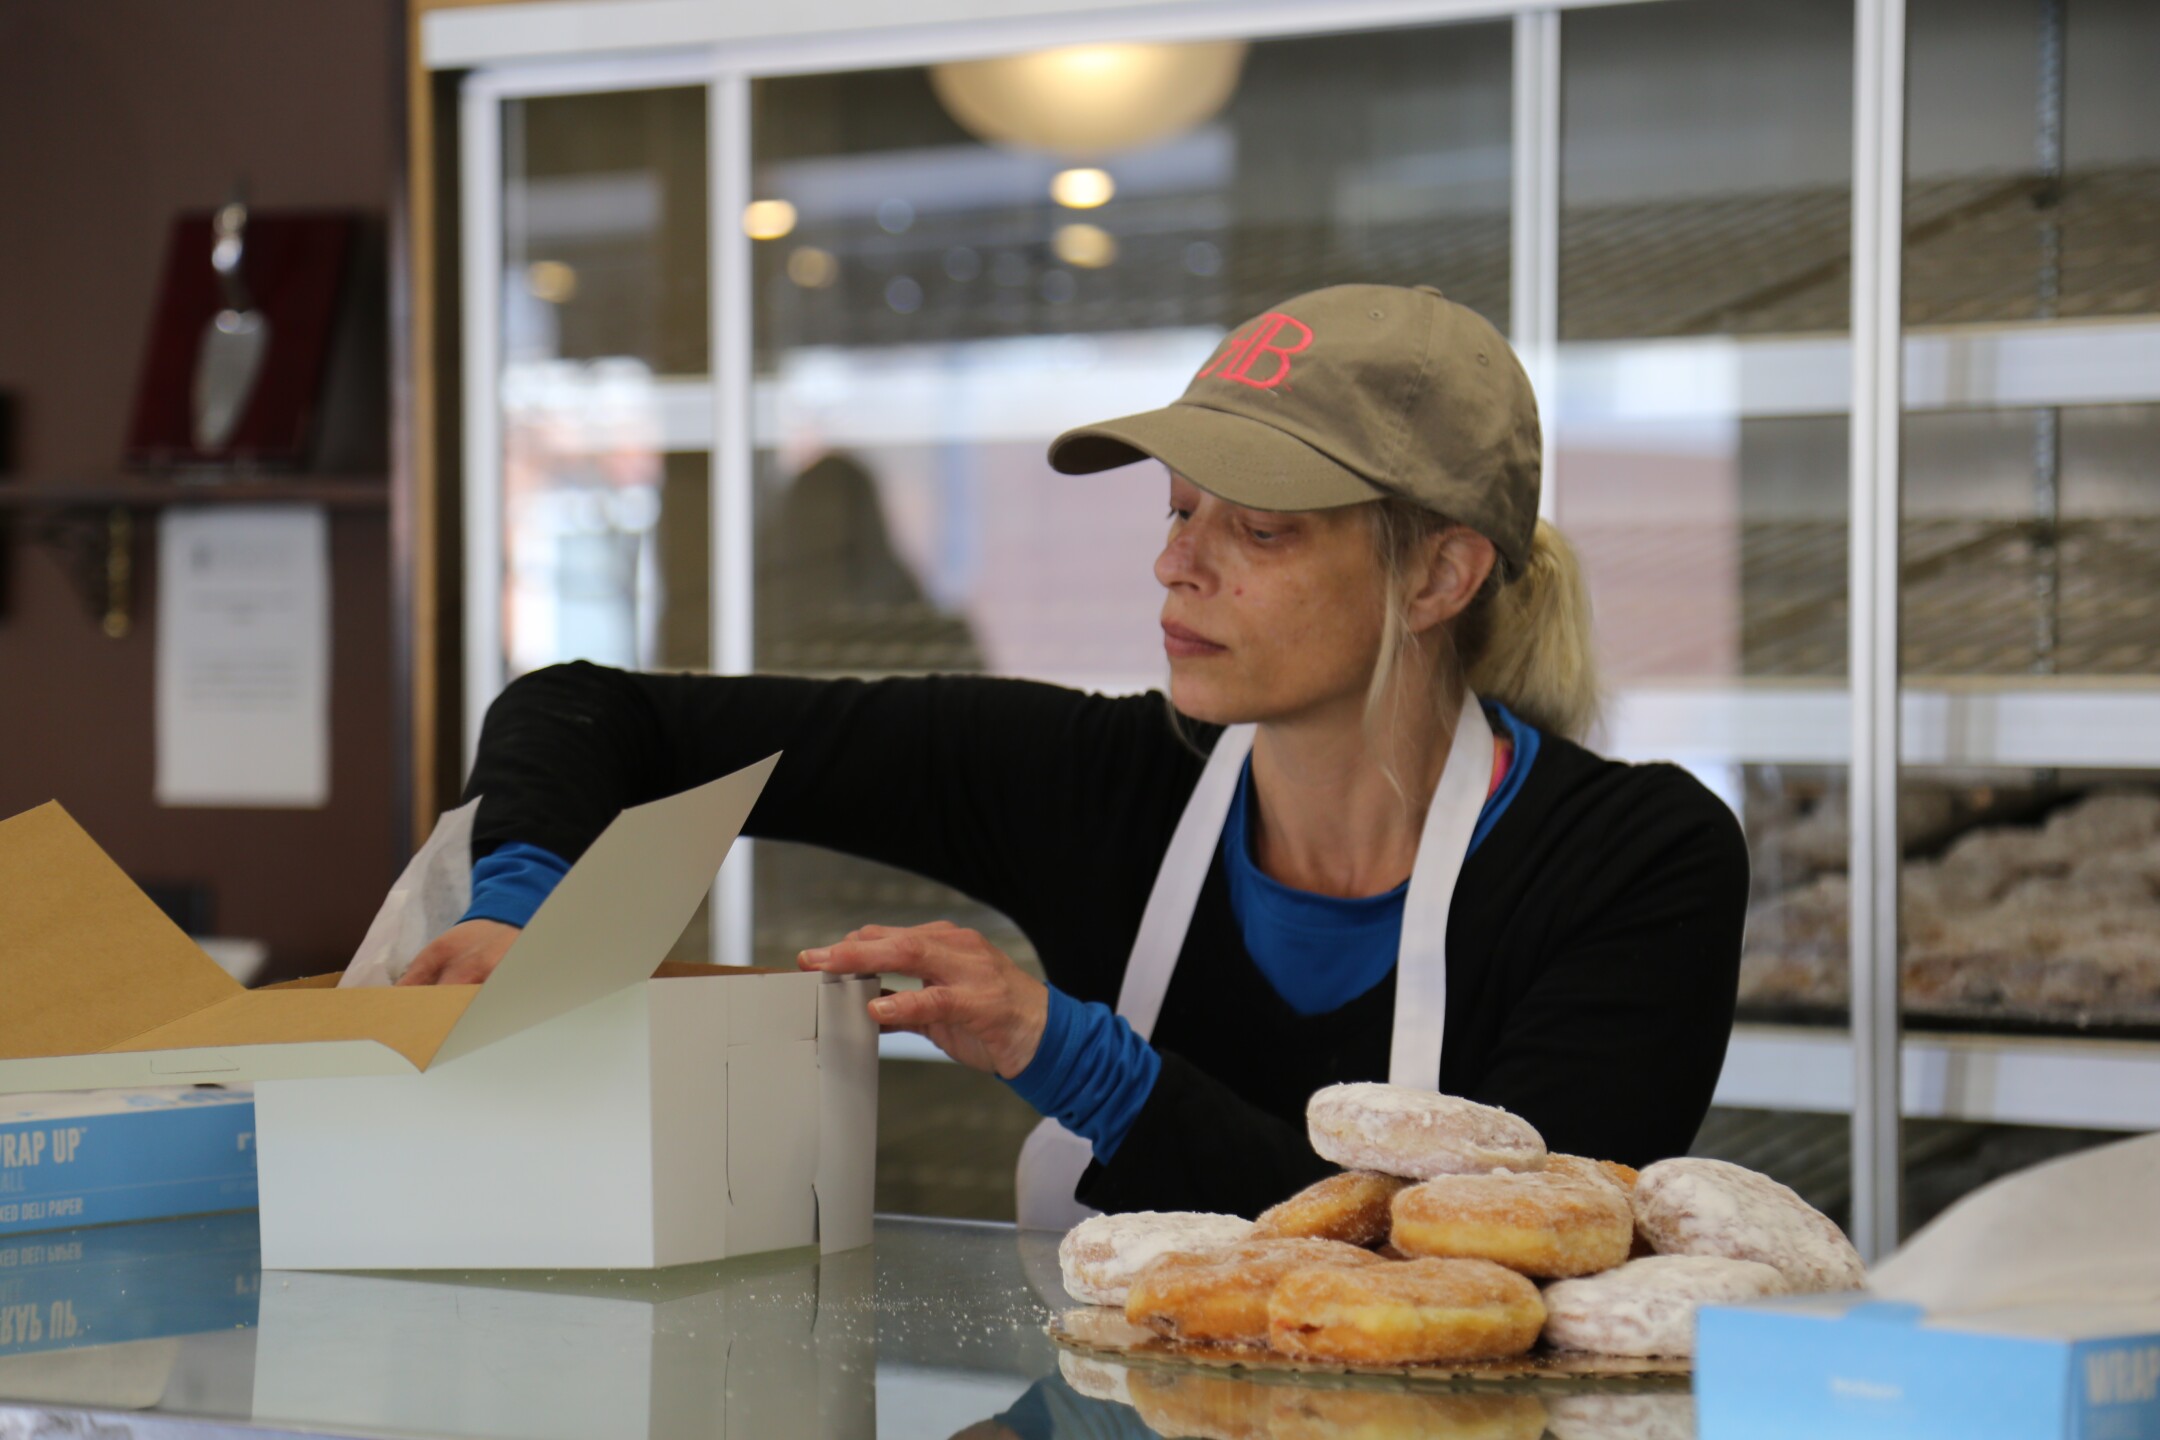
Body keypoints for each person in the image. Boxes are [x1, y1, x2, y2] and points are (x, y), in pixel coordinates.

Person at [400, 284, 1748, 1224]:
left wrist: (1079, 1058)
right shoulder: (1096, 778)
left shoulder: (1637, 864)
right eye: (1177, 510)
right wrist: (524, 910)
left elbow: (1488, 1262)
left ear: (1440, 573)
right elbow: (587, 710)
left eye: (1259, 530)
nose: (1176, 565)